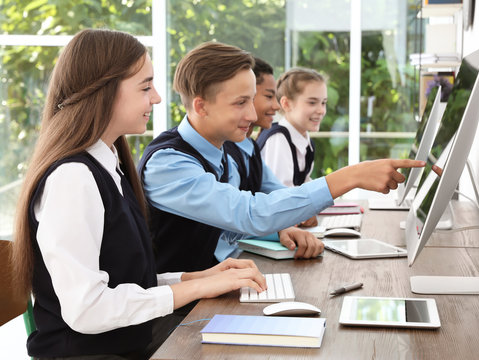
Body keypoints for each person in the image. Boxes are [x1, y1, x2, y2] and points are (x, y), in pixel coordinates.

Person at [11, 29, 266, 360]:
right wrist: (193, 289)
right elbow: (87, 309)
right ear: (104, 91)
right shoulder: (72, 178)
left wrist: (197, 277)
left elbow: (124, 282)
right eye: (145, 86)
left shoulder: (108, 166)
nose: (157, 97)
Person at [138, 42, 425, 276]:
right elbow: (247, 213)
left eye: (252, 100)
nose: (253, 115)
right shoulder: (169, 164)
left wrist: (280, 230)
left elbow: (231, 226)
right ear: (201, 106)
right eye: (240, 103)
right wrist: (351, 176)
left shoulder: (223, 149)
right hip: (181, 317)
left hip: (224, 282)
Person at [218, 57, 318, 261]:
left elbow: (280, 192)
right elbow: (240, 216)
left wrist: (301, 210)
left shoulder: (250, 147)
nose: (276, 106)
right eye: (268, 96)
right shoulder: (223, 153)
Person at [257, 67, 326, 187]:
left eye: (323, 103)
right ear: (286, 104)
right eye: (312, 102)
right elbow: (280, 196)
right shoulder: (278, 139)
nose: (321, 110)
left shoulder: (306, 142)